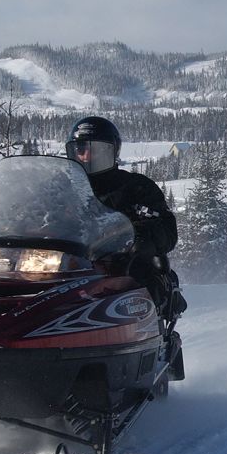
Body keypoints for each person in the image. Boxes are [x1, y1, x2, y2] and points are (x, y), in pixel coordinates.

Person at [65, 116, 186, 319]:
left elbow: (166, 230)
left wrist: (139, 237)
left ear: (112, 152)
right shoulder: (62, 188)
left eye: (94, 150)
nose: (86, 156)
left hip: (122, 269)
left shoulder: (135, 187)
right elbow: (39, 215)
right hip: (71, 267)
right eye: (80, 149)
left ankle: (143, 333)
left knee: (142, 278)